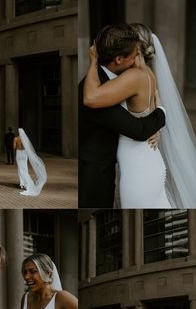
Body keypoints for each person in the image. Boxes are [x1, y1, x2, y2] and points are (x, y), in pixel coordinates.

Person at [84, 23, 196, 208]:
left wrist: (94, 60)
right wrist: (158, 124)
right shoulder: (148, 74)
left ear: (135, 48)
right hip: (146, 159)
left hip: (138, 168)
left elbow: (92, 97)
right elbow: (148, 112)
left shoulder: (134, 77)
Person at [13, 128, 47, 196]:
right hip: (25, 154)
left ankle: (22, 183)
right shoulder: (25, 139)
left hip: (18, 153)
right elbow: (28, 148)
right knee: (25, 169)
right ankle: (24, 183)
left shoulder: (16, 139)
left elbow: (14, 147)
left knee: (20, 169)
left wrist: (17, 146)